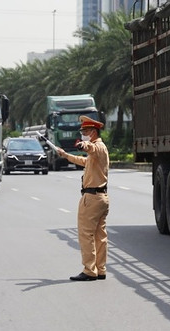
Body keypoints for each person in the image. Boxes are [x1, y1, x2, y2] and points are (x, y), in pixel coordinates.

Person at [57, 115, 109, 282]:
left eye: (85, 131)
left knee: (86, 234)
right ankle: (100, 269)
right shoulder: (98, 151)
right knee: (100, 236)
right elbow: (85, 161)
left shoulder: (97, 147)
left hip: (92, 198)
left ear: (93, 132)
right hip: (101, 197)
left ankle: (89, 270)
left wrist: (82, 144)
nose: (84, 134)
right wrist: (66, 155)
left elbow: (89, 148)